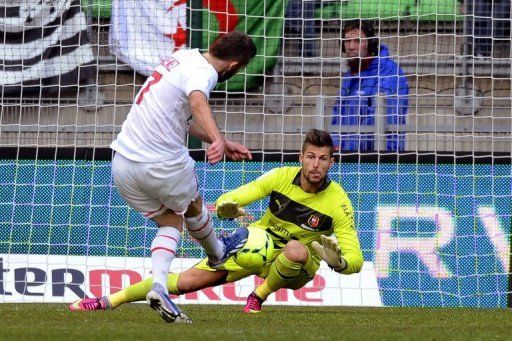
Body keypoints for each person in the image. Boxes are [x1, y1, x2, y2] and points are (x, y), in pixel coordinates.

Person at [70, 129, 364, 321]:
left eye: (323, 159)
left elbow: (356, 259)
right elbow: (233, 198)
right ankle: (106, 301)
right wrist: (226, 206)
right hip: (258, 248)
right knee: (183, 283)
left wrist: (338, 263)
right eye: (310, 157)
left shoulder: (338, 202)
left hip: (298, 266)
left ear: (331, 162)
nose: (315, 165)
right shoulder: (279, 177)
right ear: (300, 158)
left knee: (297, 250)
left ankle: (257, 296)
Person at [69, 32, 257, 323]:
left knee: (170, 221)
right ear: (233, 65)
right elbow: (197, 104)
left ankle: (159, 287)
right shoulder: (205, 73)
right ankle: (219, 253)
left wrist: (219, 140)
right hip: (160, 163)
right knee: (194, 207)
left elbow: (181, 116)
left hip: (122, 163)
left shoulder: (182, 57)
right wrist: (217, 140)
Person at [331, 19, 409, 152]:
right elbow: (337, 117)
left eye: (357, 41)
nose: (351, 47)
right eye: (347, 41)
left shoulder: (388, 71)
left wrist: (347, 149)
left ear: (370, 44)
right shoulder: (349, 76)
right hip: (348, 158)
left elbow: (381, 117)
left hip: (381, 156)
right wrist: (334, 146)